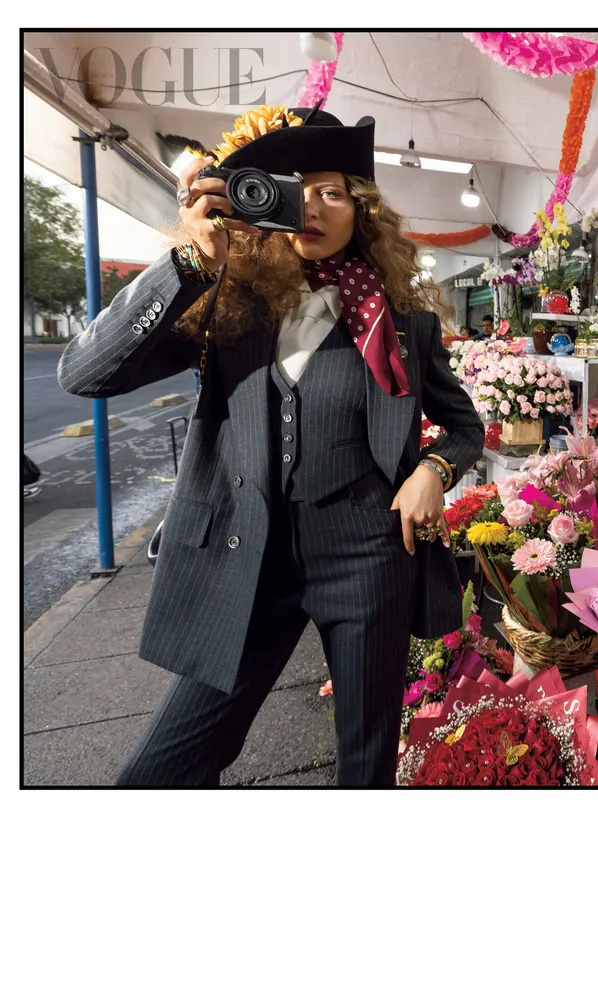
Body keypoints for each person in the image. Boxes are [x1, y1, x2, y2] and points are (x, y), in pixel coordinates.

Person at [57, 103, 484, 788]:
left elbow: (464, 425)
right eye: (294, 190)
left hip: (367, 557)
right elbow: (85, 374)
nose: (312, 206)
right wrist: (190, 261)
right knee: (164, 768)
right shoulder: (226, 300)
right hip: (244, 555)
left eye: (332, 191)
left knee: (367, 761)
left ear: (362, 208)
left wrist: (434, 469)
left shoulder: (403, 321)